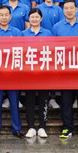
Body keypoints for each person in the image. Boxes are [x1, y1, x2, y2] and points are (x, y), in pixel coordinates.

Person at [52, 0, 78, 140]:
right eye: (66, 8)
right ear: (63, 10)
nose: (69, 10)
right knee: (66, 100)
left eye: (71, 8)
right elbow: (53, 49)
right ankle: (67, 127)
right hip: (65, 71)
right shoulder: (57, 27)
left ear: (76, 9)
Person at [0, 6, 24, 139]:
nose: (4, 17)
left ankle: (17, 128)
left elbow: (20, 51)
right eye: (1, 15)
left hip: (12, 72)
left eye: (6, 15)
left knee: (14, 101)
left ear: (10, 17)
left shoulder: (17, 32)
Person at [22, 8, 51, 138]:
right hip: (29, 73)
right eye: (32, 17)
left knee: (43, 100)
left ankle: (42, 127)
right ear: (29, 19)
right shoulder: (23, 34)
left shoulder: (48, 33)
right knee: (30, 100)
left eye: (36, 17)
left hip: (44, 72)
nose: (34, 19)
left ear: (41, 18)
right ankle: (31, 126)